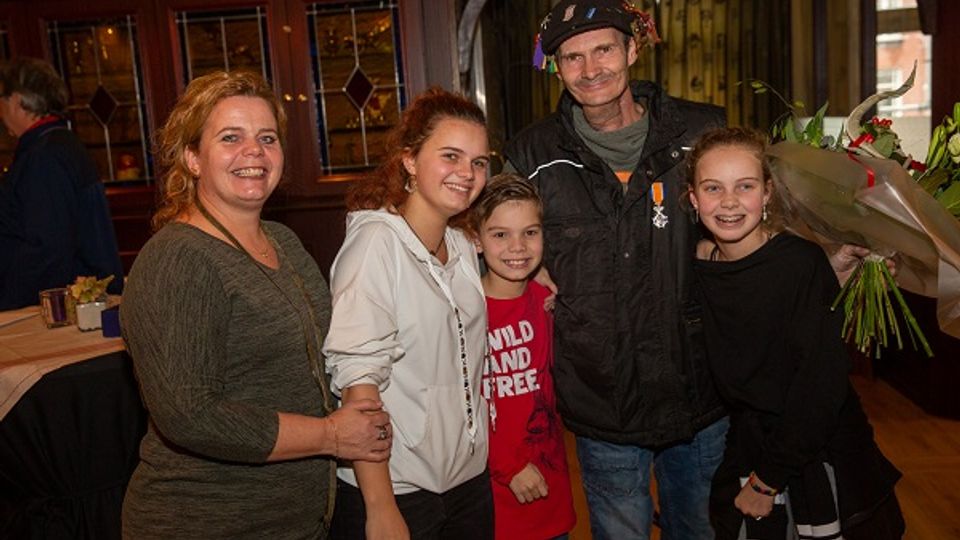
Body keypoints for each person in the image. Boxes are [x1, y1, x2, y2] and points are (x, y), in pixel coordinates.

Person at [119, 71, 391, 539]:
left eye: (267, 138)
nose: (254, 151)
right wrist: (331, 435)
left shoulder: (283, 241)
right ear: (192, 158)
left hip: (296, 520)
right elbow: (190, 415)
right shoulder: (178, 258)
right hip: (208, 523)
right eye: (231, 137)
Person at [502, 2, 729, 538]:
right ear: (557, 68)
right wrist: (523, 269)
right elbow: (489, 237)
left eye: (603, 49)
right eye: (572, 58)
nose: (590, 69)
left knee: (702, 529)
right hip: (603, 401)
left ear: (631, 49)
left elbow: (758, 218)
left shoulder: (704, 133)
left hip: (699, 391)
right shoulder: (530, 157)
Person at [687, 126, 905, 540]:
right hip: (750, 446)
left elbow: (820, 384)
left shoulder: (799, 263)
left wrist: (767, 480)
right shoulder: (698, 265)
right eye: (713, 188)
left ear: (767, 193)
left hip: (815, 452)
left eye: (745, 186)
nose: (729, 201)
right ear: (694, 199)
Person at [322, 88, 492, 540]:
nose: (467, 173)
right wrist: (380, 507)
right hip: (399, 489)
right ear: (410, 160)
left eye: (478, 162)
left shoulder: (460, 241)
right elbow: (358, 383)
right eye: (451, 156)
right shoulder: (375, 245)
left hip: (468, 482)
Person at [472, 174, 576, 540]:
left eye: (530, 232)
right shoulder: (464, 311)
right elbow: (456, 404)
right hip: (495, 497)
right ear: (476, 240)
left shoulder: (547, 299)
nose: (517, 247)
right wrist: (507, 465)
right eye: (500, 234)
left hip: (551, 491)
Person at [0, 57, 124, 310]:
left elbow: (47, 248)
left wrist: (6, 299)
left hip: (56, 306)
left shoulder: (45, 156)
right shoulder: (58, 143)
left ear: (17, 100)